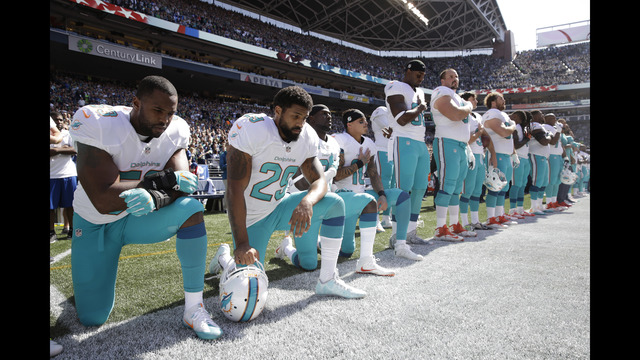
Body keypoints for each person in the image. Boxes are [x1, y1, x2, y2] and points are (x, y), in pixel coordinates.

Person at [68, 76, 222, 340]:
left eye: (170, 113)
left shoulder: (175, 131)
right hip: (96, 222)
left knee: (190, 209)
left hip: (139, 219)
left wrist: (157, 196)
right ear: (136, 103)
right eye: (158, 110)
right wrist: (157, 185)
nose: (164, 119)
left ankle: (194, 308)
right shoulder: (100, 124)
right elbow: (103, 199)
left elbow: (182, 185)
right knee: (92, 317)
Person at [209, 87, 366, 299]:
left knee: (334, 203)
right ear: (278, 111)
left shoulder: (307, 136)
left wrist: (307, 202)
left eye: (305, 117)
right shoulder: (253, 129)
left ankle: (328, 279)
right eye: (296, 116)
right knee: (250, 290)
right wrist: (243, 243)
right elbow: (234, 188)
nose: (301, 123)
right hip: (251, 217)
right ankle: (224, 257)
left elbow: (319, 180)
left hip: (280, 206)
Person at [384, 60, 431, 244]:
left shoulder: (419, 91)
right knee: (402, 190)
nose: (421, 77)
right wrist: (420, 108)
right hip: (403, 140)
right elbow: (401, 119)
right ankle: (397, 235)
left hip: (420, 142)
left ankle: (411, 233)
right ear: (408, 71)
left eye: (423, 75)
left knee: (420, 189)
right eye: (418, 73)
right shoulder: (395, 86)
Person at [428, 69, 475, 241]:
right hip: (447, 142)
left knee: (456, 189)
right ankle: (441, 228)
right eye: (450, 77)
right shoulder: (442, 91)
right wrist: (469, 106)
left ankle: (455, 225)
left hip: (461, 145)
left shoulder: (458, 97)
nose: (455, 79)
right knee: (447, 185)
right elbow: (456, 115)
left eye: (456, 76)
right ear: (442, 81)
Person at [480, 92, 518, 227]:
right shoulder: (492, 114)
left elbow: (508, 137)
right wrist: (513, 126)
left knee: (502, 188)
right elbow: (504, 132)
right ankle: (491, 218)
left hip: (505, 155)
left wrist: (514, 153)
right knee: (494, 187)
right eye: (501, 98)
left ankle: (499, 215)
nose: (504, 100)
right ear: (493, 102)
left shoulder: (502, 114)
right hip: (497, 154)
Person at [458, 92, 491, 231]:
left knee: (477, 191)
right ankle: (465, 222)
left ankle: (476, 220)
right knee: (467, 190)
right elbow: (466, 138)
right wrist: (479, 132)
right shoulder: (463, 115)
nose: (476, 101)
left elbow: (482, 135)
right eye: (473, 99)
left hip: (479, 154)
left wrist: (483, 134)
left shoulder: (477, 116)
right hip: (469, 154)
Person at [50, 111, 78, 243]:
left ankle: (72, 230)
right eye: (55, 120)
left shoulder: (69, 134)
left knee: (70, 205)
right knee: (51, 207)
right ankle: (52, 232)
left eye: (60, 120)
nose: (58, 122)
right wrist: (64, 149)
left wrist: (56, 151)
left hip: (68, 174)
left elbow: (75, 149)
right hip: (51, 175)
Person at [369, 106, 394, 230]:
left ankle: (386, 218)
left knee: (390, 186)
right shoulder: (381, 110)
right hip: (381, 150)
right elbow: (388, 129)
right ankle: (375, 218)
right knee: (381, 184)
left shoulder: (391, 113)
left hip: (391, 151)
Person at [508, 110, 536, 219]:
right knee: (516, 184)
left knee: (522, 185)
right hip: (517, 157)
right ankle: (512, 210)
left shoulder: (522, 128)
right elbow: (515, 144)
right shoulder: (515, 126)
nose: (529, 121)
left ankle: (520, 208)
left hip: (524, 157)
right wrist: (526, 139)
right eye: (527, 119)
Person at [527, 110, 552, 215]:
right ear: (535, 116)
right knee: (536, 182)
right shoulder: (534, 125)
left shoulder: (539, 125)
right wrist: (550, 135)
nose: (543, 116)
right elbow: (544, 141)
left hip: (542, 156)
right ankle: (533, 207)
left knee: (543, 183)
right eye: (541, 114)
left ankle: (540, 205)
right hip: (535, 155)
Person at [542, 113, 567, 211]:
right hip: (551, 156)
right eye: (551, 118)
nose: (554, 120)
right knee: (551, 180)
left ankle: (554, 201)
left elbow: (560, 144)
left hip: (558, 156)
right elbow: (553, 142)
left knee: (557, 181)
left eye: (554, 118)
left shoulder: (555, 128)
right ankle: (549, 203)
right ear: (545, 119)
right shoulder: (545, 127)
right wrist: (558, 131)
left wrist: (565, 157)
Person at [218, 140, 228, 212]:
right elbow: (221, 166)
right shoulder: (223, 155)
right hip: (226, 176)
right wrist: (229, 164)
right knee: (228, 191)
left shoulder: (234, 154)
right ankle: (226, 208)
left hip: (234, 177)